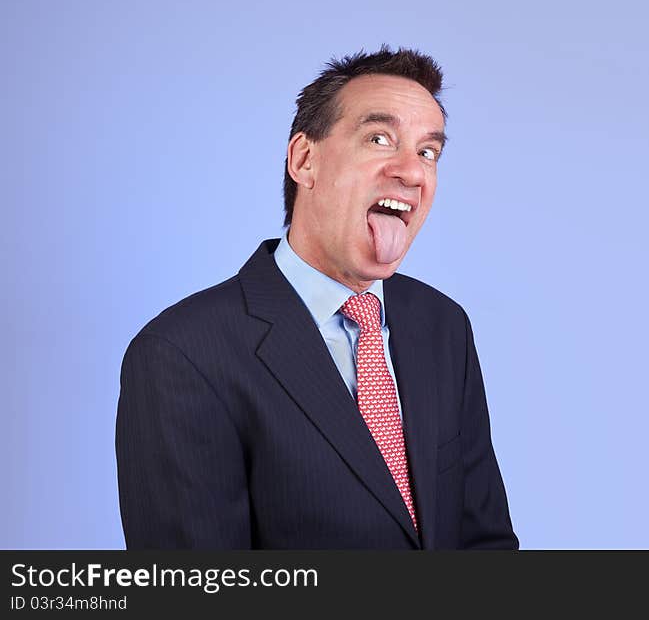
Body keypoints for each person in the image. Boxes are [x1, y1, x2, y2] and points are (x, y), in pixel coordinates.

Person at [115, 46, 518, 549]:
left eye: (427, 151)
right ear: (304, 160)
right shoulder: (182, 353)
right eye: (379, 138)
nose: (412, 172)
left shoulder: (443, 325)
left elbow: (484, 542)